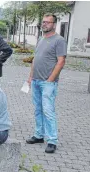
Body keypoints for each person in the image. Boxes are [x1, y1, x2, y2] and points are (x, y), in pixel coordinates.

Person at [26, 13, 67, 154]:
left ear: (54, 25)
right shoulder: (41, 38)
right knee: (38, 109)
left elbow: (61, 61)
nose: (44, 24)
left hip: (48, 83)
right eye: (43, 22)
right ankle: (38, 135)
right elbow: (35, 59)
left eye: (47, 22)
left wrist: (50, 80)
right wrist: (30, 76)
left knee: (48, 111)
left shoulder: (59, 40)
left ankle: (52, 140)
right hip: (36, 80)